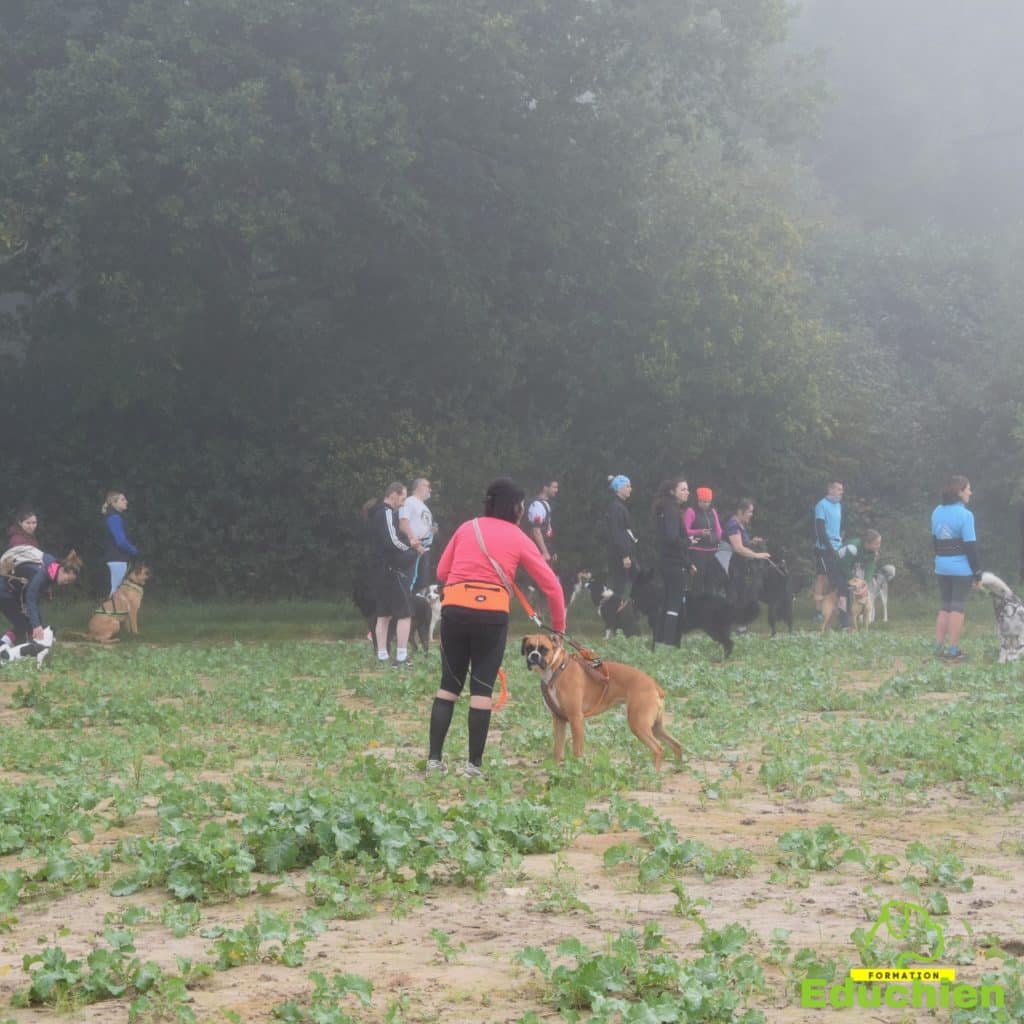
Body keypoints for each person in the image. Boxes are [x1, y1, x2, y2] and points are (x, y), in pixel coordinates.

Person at [427, 477, 565, 778]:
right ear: (516, 508)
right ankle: (472, 767)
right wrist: (558, 628)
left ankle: (434, 761)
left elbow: (441, 571)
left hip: (455, 609)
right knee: (482, 689)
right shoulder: (517, 537)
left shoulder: (468, 528)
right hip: (491, 614)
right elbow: (552, 587)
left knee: (448, 687)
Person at [369, 482, 423, 666]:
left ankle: (382, 657)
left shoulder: (377, 513)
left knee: (383, 615)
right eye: (402, 496)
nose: (404, 500)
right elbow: (392, 540)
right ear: (393, 494)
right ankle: (401, 657)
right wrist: (412, 548)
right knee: (405, 614)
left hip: (379, 571)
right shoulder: (385, 512)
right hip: (390, 571)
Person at [932, 475, 981, 661]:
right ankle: (953, 650)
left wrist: (941, 560)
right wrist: (977, 573)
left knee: (944, 606)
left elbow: (935, 541)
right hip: (960, 568)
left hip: (941, 565)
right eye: (968, 488)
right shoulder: (966, 515)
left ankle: (938, 646)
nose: (970, 492)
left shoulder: (936, 511)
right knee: (957, 607)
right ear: (960, 491)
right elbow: (970, 546)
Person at [0, 549, 82, 653]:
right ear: (62, 570)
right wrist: (36, 625)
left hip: (14, 592)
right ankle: (9, 651)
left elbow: (30, 596)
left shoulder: (51, 568)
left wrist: (36, 622)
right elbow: (31, 596)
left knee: (28, 624)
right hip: (4, 592)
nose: (66, 583)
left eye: (69, 582)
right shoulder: (42, 573)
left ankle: (25, 648)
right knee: (22, 626)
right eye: (68, 579)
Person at [653, 478, 692, 646]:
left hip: (667, 561)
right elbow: (672, 537)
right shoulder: (672, 510)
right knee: (673, 603)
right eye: (683, 489)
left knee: (667, 600)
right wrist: (688, 542)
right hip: (673, 563)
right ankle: (669, 642)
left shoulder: (666, 508)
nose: (687, 492)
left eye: (687, 489)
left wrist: (688, 563)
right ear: (672, 492)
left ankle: (660, 641)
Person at [721, 499, 771, 618]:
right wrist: (757, 555)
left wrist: (752, 542)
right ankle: (729, 623)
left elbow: (742, 544)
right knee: (733, 595)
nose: (751, 514)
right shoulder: (733, 525)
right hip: (730, 565)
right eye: (749, 511)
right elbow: (738, 548)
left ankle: (738, 625)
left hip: (738, 566)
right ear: (740, 511)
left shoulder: (740, 525)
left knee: (740, 593)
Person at [605, 475, 639, 637]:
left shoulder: (620, 506)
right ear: (618, 488)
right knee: (619, 590)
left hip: (625, 553)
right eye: (628, 486)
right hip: (620, 555)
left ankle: (623, 625)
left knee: (626, 588)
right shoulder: (616, 508)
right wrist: (625, 555)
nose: (630, 489)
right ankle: (613, 626)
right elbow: (617, 533)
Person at [813, 481, 846, 625]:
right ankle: (818, 612)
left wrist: (840, 543)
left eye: (842, 490)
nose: (841, 492)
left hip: (837, 546)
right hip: (824, 548)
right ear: (830, 490)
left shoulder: (839, 505)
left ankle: (835, 608)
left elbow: (838, 527)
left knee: (832, 578)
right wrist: (829, 548)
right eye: (839, 489)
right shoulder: (821, 505)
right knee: (822, 578)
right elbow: (820, 530)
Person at [399, 478, 436, 591]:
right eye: (427, 485)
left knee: (422, 583)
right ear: (418, 487)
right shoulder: (409, 501)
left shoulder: (425, 508)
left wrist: (432, 532)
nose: (430, 489)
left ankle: (416, 607)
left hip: (424, 549)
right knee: (409, 581)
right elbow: (403, 523)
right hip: (413, 547)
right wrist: (415, 542)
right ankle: (406, 607)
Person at [684, 487, 723, 596]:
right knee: (698, 581)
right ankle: (695, 604)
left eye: (708, 502)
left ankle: (709, 606)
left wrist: (720, 538)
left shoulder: (713, 512)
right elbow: (686, 531)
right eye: (703, 502)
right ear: (698, 500)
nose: (706, 504)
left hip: (712, 550)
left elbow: (718, 529)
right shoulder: (691, 511)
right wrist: (700, 532)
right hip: (697, 551)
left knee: (710, 581)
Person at [101, 492, 139, 596]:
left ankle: (113, 611)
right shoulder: (114, 518)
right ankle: (110, 611)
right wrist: (134, 550)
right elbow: (121, 541)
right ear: (114, 503)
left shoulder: (114, 517)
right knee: (117, 591)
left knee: (118, 590)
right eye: (122, 499)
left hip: (117, 558)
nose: (126, 501)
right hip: (117, 558)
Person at [526, 479, 559, 564]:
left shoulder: (546, 503)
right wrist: (545, 552)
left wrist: (552, 551)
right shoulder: (537, 505)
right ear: (545, 488)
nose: (556, 490)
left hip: (545, 550)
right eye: (554, 487)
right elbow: (536, 530)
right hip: (538, 552)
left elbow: (547, 528)